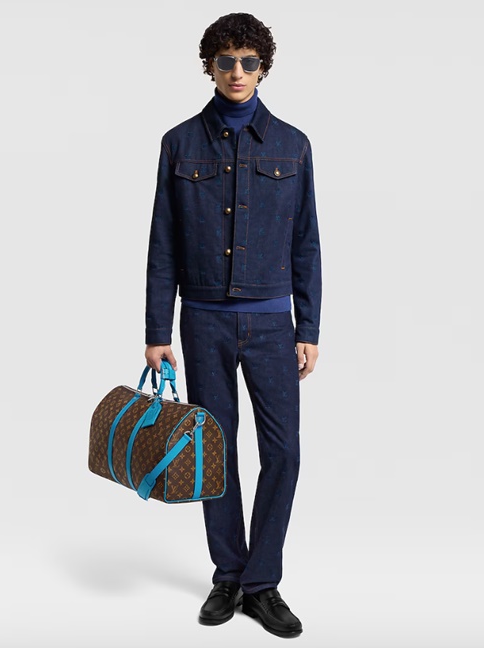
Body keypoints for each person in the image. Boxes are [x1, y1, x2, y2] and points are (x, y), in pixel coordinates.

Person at [143, 12, 322, 639]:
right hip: (203, 324)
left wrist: (309, 326)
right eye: (226, 62)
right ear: (209, 67)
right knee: (213, 451)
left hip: (274, 325)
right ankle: (228, 575)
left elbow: (306, 242)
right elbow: (163, 242)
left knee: (283, 452)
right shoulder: (179, 143)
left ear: (263, 67)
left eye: (248, 62)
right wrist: (157, 330)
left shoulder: (293, 145)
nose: (237, 72)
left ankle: (261, 581)